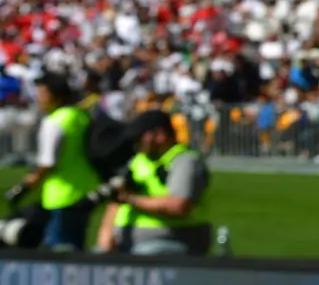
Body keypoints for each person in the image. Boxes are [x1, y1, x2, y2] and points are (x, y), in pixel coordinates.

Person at [6, 72, 102, 251]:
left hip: (62, 194)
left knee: (60, 251)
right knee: (77, 247)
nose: (39, 99)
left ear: (55, 95)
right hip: (85, 190)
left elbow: (47, 163)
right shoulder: (79, 115)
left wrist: (23, 187)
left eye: (42, 94)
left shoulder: (54, 122)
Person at [98, 110, 213, 256]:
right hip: (127, 242)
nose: (136, 143)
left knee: (141, 257)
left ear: (160, 135)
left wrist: (130, 198)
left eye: (140, 137)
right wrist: (107, 236)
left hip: (173, 240)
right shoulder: (138, 161)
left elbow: (178, 206)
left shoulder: (185, 161)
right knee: (93, 258)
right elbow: (116, 201)